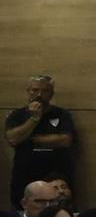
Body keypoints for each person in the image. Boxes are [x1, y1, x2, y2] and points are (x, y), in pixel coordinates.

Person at [5, 74, 78, 208]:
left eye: (45, 91)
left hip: (57, 175)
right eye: (35, 90)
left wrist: (30, 138)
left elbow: (65, 140)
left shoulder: (62, 114)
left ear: (52, 94)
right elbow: (13, 139)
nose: (39, 94)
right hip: (24, 177)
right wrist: (34, 119)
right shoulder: (17, 115)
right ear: (28, 91)